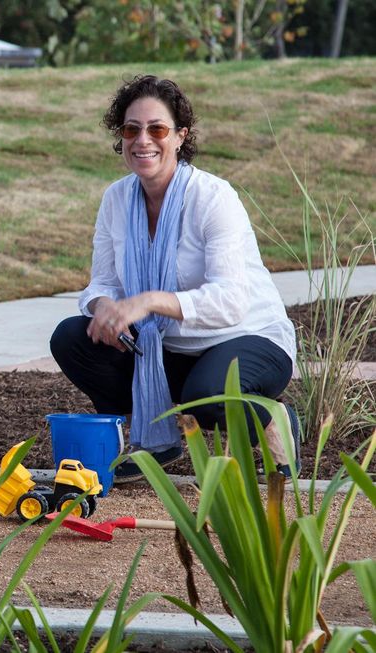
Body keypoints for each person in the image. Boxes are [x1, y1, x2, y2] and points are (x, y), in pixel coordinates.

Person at [49, 75, 299, 484]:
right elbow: (102, 283)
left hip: (247, 337)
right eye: (131, 129)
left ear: (180, 136)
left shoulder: (213, 197)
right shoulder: (116, 199)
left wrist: (147, 301)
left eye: (157, 129)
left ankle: (274, 416)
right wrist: (105, 308)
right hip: (167, 347)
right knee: (73, 338)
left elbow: (231, 300)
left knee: (208, 397)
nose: (142, 140)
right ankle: (158, 442)